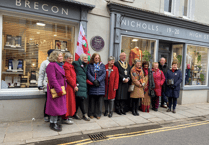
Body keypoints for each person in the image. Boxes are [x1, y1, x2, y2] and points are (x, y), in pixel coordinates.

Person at [46, 50, 67, 132]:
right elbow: (52, 79)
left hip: (60, 88)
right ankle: (52, 123)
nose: (61, 58)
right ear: (55, 57)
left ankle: (55, 122)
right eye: (59, 56)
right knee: (54, 107)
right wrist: (59, 89)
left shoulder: (58, 65)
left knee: (57, 107)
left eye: (62, 56)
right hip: (56, 89)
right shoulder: (51, 65)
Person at [87, 53, 106, 119]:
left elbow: (104, 74)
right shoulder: (90, 65)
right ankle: (91, 114)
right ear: (93, 58)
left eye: (98, 58)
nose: (97, 59)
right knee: (92, 101)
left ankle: (98, 114)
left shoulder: (102, 65)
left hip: (100, 85)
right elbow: (88, 74)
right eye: (95, 58)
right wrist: (93, 80)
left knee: (99, 101)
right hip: (93, 85)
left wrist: (98, 80)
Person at [72, 53, 91, 121]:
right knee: (81, 99)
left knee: (78, 99)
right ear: (81, 58)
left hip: (83, 84)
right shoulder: (76, 64)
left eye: (86, 58)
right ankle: (84, 114)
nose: (86, 59)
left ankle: (74, 113)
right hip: (78, 84)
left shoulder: (86, 65)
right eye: (84, 58)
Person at [38, 49, 54, 122]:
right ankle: (46, 115)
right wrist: (40, 84)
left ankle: (53, 115)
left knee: (54, 102)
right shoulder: (45, 62)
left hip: (55, 85)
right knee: (48, 101)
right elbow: (41, 74)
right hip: (47, 84)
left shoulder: (56, 62)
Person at [61, 52, 77, 124]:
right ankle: (65, 118)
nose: (71, 59)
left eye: (71, 58)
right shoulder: (67, 66)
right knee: (67, 102)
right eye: (69, 58)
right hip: (68, 87)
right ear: (66, 59)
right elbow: (68, 77)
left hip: (71, 87)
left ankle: (67, 117)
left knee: (70, 102)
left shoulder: (70, 66)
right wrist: (74, 85)